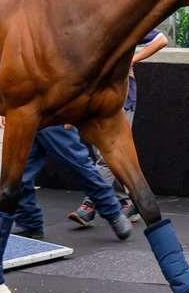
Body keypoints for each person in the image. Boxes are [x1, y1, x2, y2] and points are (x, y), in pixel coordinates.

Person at [70, 28, 169, 226]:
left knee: (106, 156)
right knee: (103, 155)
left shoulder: (128, 22)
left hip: (120, 98)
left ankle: (91, 203)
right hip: (96, 98)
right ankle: (127, 203)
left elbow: (161, 40)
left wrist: (132, 60)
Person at [0, 117, 132, 242]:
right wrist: (4, 110)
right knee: (19, 172)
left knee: (78, 165)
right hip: (25, 114)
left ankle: (112, 213)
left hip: (53, 113)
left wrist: (73, 111)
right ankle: (29, 222)